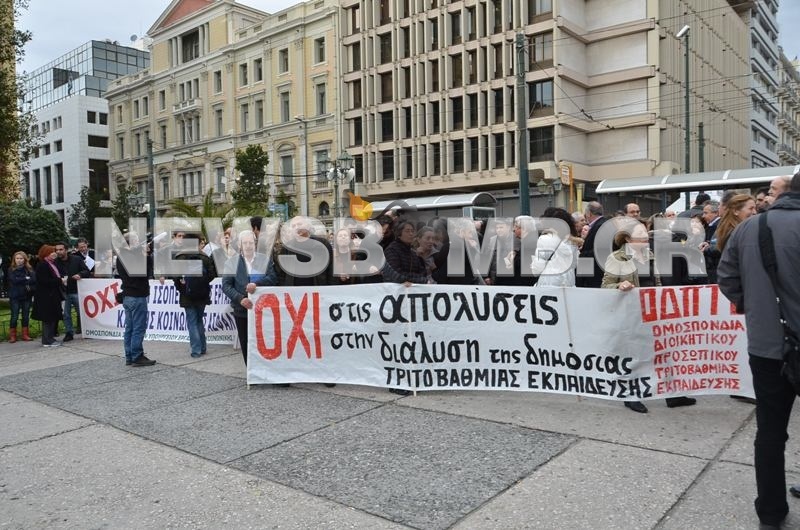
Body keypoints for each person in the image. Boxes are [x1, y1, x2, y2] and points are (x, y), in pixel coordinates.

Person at [717, 173, 800, 529]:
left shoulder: (748, 229)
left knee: (769, 431)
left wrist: (758, 309)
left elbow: (727, 279)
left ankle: (771, 510)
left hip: (767, 347)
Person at [601, 219, 697, 414]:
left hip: (653, 311)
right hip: (632, 314)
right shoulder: (617, 258)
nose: (646, 237)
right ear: (628, 238)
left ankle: (672, 394)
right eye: (641, 234)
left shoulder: (649, 255)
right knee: (635, 355)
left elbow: (657, 281)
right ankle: (631, 395)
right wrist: (619, 286)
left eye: (646, 233)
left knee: (665, 352)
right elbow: (605, 286)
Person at [221, 230, 278, 366]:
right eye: (244, 243)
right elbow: (226, 286)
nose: (248, 246)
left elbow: (273, 278)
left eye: (251, 242)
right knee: (246, 341)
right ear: (240, 245)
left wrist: (257, 284)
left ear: (255, 243)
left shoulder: (264, 259)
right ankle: (251, 372)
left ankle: (267, 369)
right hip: (242, 310)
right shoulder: (231, 263)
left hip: (263, 309)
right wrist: (240, 298)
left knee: (265, 340)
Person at [170, 232, 217, 358]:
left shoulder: (180, 256)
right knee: (199, 320)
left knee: (191, 321)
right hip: (202, 293)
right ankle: (202, 347)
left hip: (187, 294)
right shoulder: (205, 257)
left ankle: (195, 350)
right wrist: (202, 284)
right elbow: (212, 275)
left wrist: (182, 288)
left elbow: (175, 277)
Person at [117, 232, 157, 367]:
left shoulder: (122, 256)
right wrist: (146, 256)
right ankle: (137, 355)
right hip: (137, 296)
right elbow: (144, 273)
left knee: (130, 328)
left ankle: (129, 355)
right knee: (138, 328)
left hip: (128, 295)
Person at [531, 207, 581, 287]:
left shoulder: (545, 239)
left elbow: (537, 269)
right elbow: (575, 264)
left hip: (549, 282)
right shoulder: (572, 240)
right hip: (569, 281)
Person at [55, 241, 90, 341]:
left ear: (66, 250)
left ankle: (87, 330)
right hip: (63, 292)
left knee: (82, 312)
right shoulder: (55, 262)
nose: (58, 252)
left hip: (76, 290)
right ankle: (69, 332)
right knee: (66, 314)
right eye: (57, 250)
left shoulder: (76, 259)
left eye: (61, 249)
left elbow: (86, 271)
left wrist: (80, 274)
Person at [31, 245, 64, 347]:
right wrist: (60, 280)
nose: (54, 253)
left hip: (52, 295)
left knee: (52, 318)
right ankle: (47, 340)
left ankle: (50, 338)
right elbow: (44, 281)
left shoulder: (51, 264)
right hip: (46, 296)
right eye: (52, 252)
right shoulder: (43, 265)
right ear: (46, 254)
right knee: (48, 319)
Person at [576, 201, 607, 288]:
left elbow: (599, 251)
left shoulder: (600, 226)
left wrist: (582, 253)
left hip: (595, 277)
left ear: (589, 214)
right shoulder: (603, 224)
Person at [7, 251, 36, 343]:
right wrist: (25, 279)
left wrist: (22, 280)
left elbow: (33, 280)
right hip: (15, 296)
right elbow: (14, 280)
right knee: (14, 316)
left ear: (24, 259)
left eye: (21, 258)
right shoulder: (11, 269)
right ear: (14, 260)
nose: (19, 260)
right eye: (17, 258)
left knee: (25, 316)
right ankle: (12, 336)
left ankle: (25, 334)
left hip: (26, 296)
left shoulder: (29, 269)